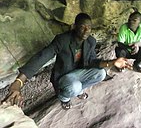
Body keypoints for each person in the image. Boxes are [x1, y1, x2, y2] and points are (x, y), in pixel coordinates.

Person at [2, 13, 132, 110]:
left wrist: (113, 62)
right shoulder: (62, 40)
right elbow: (42, 57)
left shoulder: (90, 41)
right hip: (64, 76)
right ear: (74, 26)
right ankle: (64, 98)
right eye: (82, 27)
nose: (86, 31)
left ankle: (78, 90)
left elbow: (93, 61)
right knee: (74, 86)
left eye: (89, 28)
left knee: (101, 74)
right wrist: (19, 82)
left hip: (79, 73)